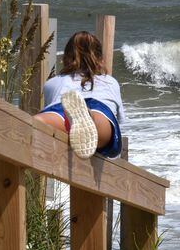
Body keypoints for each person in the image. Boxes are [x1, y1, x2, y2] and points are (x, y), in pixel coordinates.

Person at [33, 30, 124, 159]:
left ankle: (72, 120)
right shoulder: (110, 82)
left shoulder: (52, 83)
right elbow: (118, 119)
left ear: (66, 58)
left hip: (62, 106)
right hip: (99, 109)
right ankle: (90, 117)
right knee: (101, 131)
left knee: (38, 123)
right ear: (100, 59)